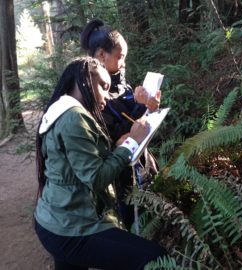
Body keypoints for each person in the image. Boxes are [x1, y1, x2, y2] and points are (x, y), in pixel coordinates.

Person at [34, 57, 167, 270]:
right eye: (103, 87)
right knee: (156, 258)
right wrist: (131, 143)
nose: (106, 95)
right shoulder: (74, 118)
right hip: (71, 227)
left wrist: (117, 147)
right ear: (85, 81)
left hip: (56, 221)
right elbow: (96, 178)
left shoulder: (62, 110)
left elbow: (81, 166)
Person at [80, 19, 161, 230]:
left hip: (141, 163)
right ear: (100, 55)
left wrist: (148, 104)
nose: (123, 63)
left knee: (153, 215)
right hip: (119, 176)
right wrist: (139, 107)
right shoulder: (93, 92)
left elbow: (132, 120)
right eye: (120, 57)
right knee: (132, 222)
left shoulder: (119, 79)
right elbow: (114, 135)